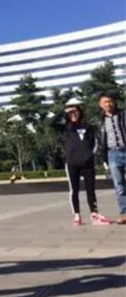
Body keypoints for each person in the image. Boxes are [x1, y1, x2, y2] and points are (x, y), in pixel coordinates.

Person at [51, 98, 111, 226]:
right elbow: (52, 122)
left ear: (80, 112)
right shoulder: (66, 128)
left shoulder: (88, 126)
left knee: (91, 190)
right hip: (72, 163)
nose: (74, 115)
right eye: (71, 113)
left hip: (87, 163)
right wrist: (64, 111)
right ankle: (77, 215)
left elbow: (95, 142)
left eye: (76, 112)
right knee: (74, 190)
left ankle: (94, 214)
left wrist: (91, 154)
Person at [98, 94, 126, 224]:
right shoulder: (99, 121)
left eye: (110, 101)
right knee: (119, 186)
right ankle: (124, 213)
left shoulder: (123, 114)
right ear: (100, 105)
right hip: (112, 154)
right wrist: (104, 159)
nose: (108, 104)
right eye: (105, 102)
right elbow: (99, 140)